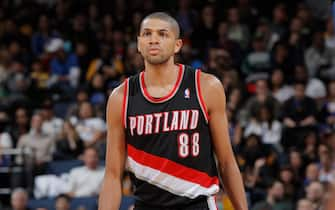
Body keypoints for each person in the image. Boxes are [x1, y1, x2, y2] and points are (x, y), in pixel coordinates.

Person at [99, 12, 247, 210]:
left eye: (162, 34)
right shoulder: (120, 98)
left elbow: (227, 161)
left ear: (177, 45)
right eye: (147, 34)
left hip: (197, 205)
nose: (153, 40)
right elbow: (112, 174)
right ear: (139, 43)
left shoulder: (206, 87)